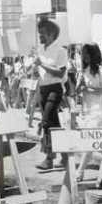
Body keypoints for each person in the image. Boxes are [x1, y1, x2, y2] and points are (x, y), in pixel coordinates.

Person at [75, 43, 102, 181]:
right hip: (87, 110)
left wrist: (88, 89)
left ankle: (80, 172)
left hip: (98, 111)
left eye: (87, 53)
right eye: (83, 53)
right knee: (99, 141)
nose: (84, 56)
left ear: (93, 54)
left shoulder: (101, 70)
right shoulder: (83, 71)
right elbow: (76, 91)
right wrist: (78, 85)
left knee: (90, 142)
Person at [34, 19, 68, 170]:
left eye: (43, 33)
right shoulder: (40, 50)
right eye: (39, 33)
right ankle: (66, 155)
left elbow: (60, 73)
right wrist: (35, 68)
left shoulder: (61, 51)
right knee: (54, 124)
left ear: (52, 33)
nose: (40, 36)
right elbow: (40, 72)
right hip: (43, 89)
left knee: (46, 122)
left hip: (55, 89)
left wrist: (42, 64)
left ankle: (49, 159)